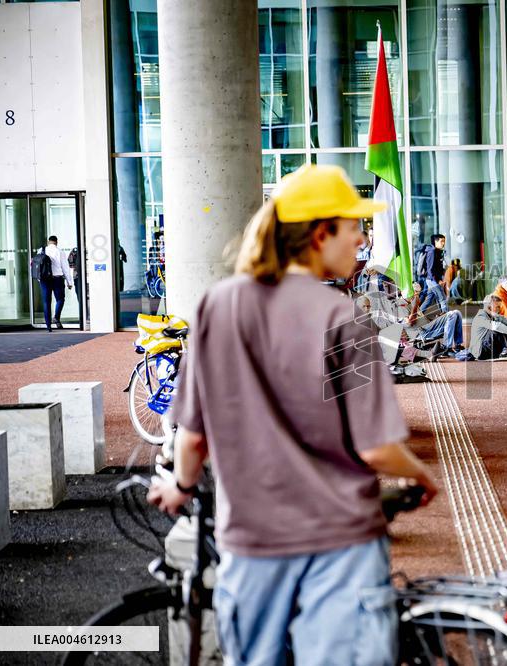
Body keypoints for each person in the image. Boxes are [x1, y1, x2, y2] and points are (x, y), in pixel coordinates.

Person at [148, 164, 438, 665]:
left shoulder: (217, 308)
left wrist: (181, 487)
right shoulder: (344, 318)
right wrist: (421, 475)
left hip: (253, 545)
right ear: (321, 233)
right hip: (342, 545)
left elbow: (193, 438)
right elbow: (375, 447)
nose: (363, 239)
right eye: (354, 228)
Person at [469, 295, 507, 360]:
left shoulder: (494, 316)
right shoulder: (480, 317)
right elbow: (496, 326)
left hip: (491, 350)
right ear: (489, 307)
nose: (499, 309)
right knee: (496, 329)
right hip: (480, 352)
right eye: (497, 307)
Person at [40, 235, 74, 331]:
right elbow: (65, 268)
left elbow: (34, 265)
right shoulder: (60, 252)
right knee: (60, 299)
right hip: (57, 279)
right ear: (56, 242)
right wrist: (69, 282)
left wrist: (39, 278)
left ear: (48, 242)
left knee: (46, 302)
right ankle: (56, 317)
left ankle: (48, 326)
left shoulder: (41, 250)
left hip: (44, 279)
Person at [415, 233, 448, 313]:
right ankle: (447, 316)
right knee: (442, 298)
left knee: (429, 299)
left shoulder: (437, 251)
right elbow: (430, 269)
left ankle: (419, 314)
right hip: (432, 280)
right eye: (441, 241)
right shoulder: (432, 251)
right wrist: (438, 280)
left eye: (444, 241)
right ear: (436, 242)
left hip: (431, 280)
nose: (443, 243)